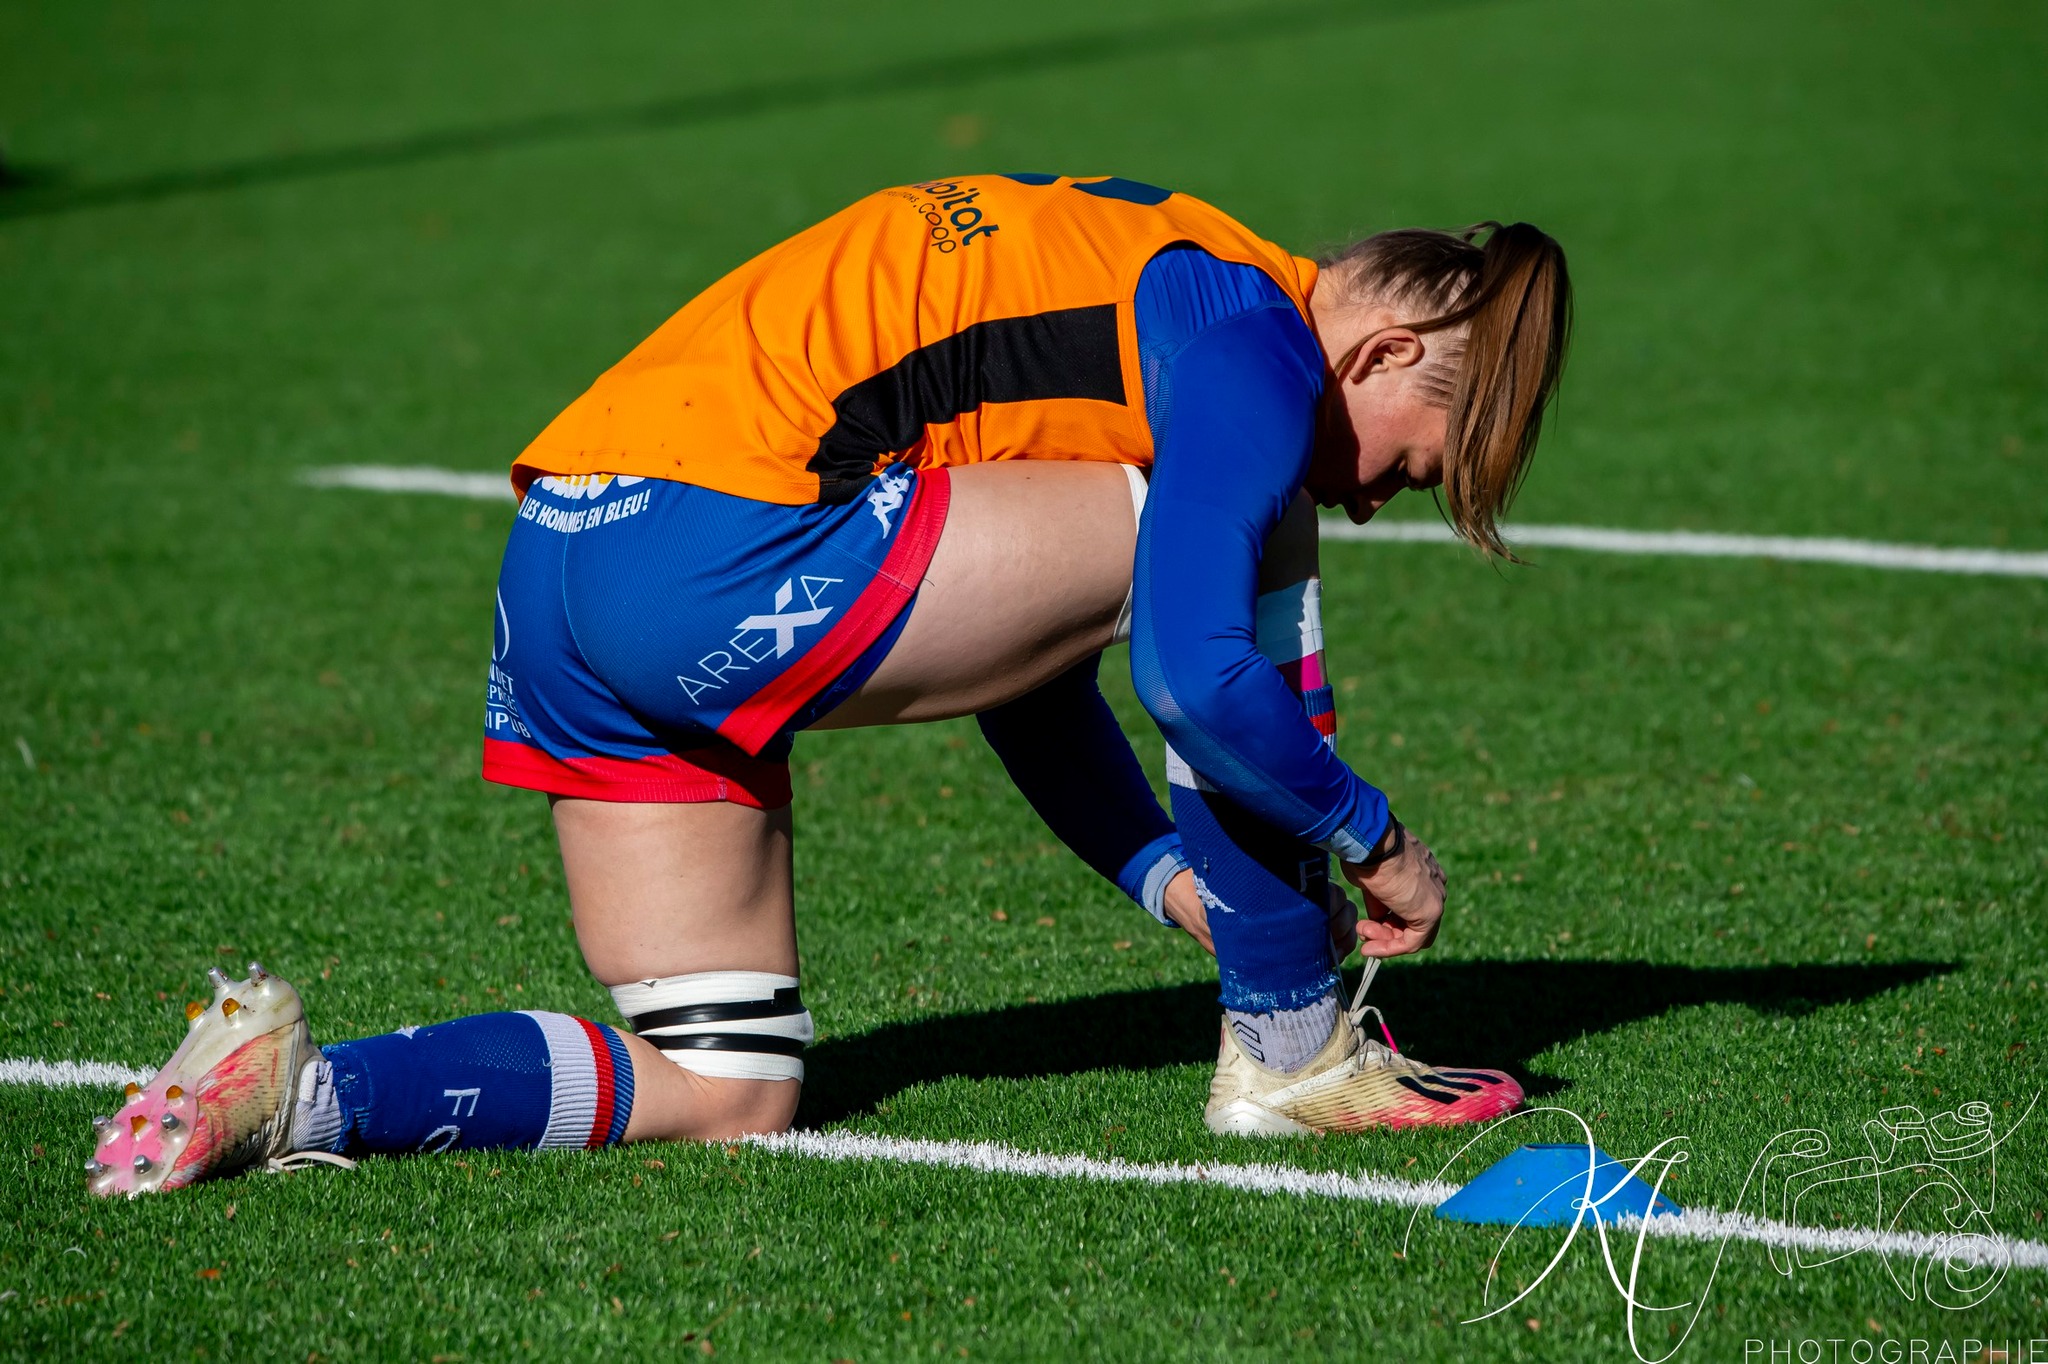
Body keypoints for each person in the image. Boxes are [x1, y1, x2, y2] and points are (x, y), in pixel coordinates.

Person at [88, 174, 1570, 1195]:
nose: (1381, 497)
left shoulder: (1161, 271)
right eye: (1412, 462)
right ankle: (1293, 1046)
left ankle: (292, 1091)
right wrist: (1372, 835)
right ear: (1377, 348)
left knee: (728, 1086)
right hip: (714, 543)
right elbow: (1189, 667)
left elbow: (1032, 666)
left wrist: (1171, 883)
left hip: (561, 560)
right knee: (1245, 538)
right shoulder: (1259, 348)